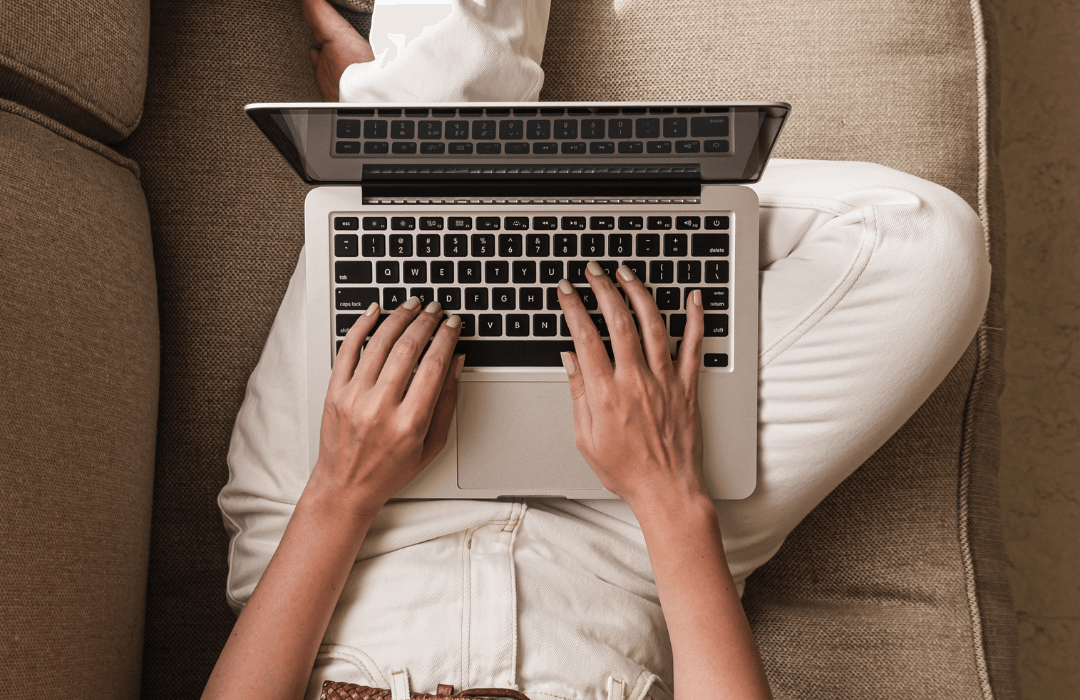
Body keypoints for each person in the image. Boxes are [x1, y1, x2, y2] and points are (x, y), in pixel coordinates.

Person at [202, 1, 992, 699]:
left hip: (343, 534)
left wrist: (343, 483)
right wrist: (666, 488)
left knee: (428, 131)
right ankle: (418, 135)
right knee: (922, 244)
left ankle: (411, 133)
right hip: (630, 552)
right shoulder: (654, 515)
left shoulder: (342, 493)